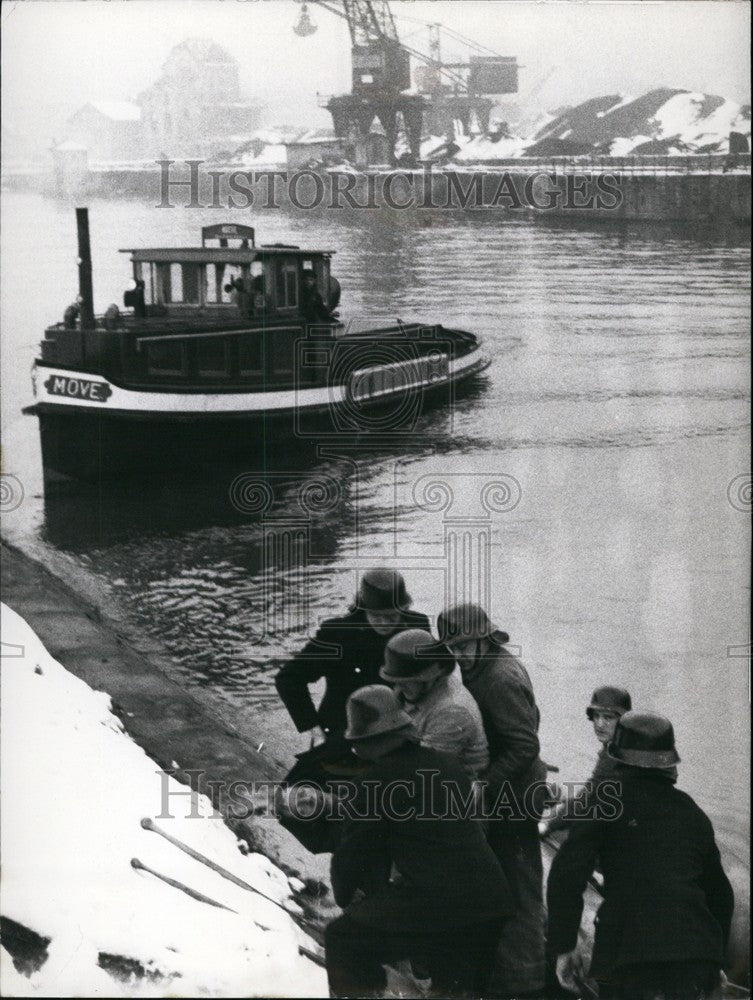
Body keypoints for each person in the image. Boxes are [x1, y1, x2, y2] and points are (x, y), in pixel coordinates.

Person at [325, 685, 515, 999]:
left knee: (343, 939)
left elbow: (353, 855)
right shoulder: (447, 765)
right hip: (490, 902)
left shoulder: (374, 782)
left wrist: (347, 898)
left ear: (365, 743)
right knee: (456, 991)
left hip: (438, 906)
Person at [547, 711, 734, 1000]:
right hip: (696, 957)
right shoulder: (691, 811)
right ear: (669, 764)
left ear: (617, 760)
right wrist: (715, 959)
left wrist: (563, 948)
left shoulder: (603, 803)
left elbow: (565, 876)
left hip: (627, 958)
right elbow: (721, 895)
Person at [438, 601, 548, 999]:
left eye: (465, 645)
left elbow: (524, 744)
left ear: (484, 638)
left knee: (519, 884)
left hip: (515, 792)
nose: (458, 655)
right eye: (451, 647)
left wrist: (485, 783)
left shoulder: (499, 676)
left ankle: (526, 981)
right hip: (506, 784)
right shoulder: (479, 668)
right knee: (501, 878)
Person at [380, 627, 489, 779]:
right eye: (396, 681)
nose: (399, 686)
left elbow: (424, 769)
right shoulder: (413, 690)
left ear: (430, 678)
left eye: (407, 682)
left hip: (451, 788)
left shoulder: (451, 711)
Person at [540, 686, 632, 836]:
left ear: (623, 721)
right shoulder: (626, 744)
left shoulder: (614, 754)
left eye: (608, 718)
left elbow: (589, 797)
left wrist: (549, 826)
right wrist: (567, 802)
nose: (599, 724)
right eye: (596, 716)